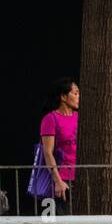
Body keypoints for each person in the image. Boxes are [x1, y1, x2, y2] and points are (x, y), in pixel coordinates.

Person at [38, 77, 79, 213]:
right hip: (63, 180)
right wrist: (58, 181)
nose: (79, 97)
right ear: (63, 97)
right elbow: (47, 152)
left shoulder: (80, 117)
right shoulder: (50, 119)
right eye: (75, 93)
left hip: (82, 176)